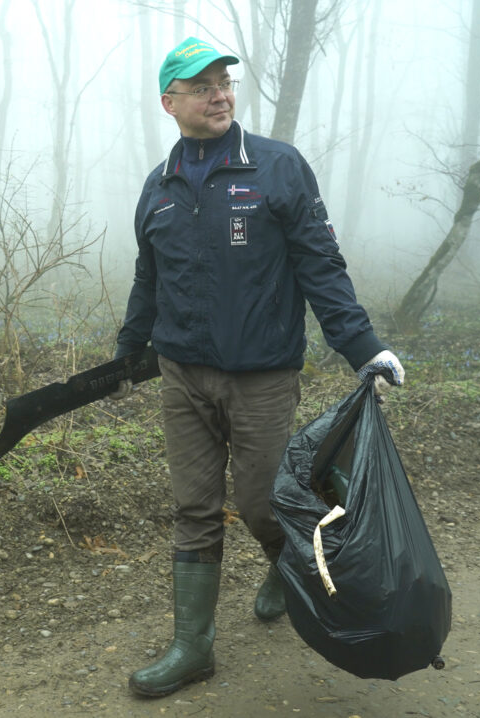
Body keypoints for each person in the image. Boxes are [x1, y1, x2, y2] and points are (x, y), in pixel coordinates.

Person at [109, 37, 405, 698]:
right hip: (183, 377)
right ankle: (193, 648)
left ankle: (297, 575)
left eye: (225, 82)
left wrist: (364, 349)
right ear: (170, 102)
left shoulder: (276, 168)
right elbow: (148, 280)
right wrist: (130, 348)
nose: (220, 94)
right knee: (194, 506)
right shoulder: (158, 189)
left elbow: (321, 268)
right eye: (201, 85)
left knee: (262, 501)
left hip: (262, 375)